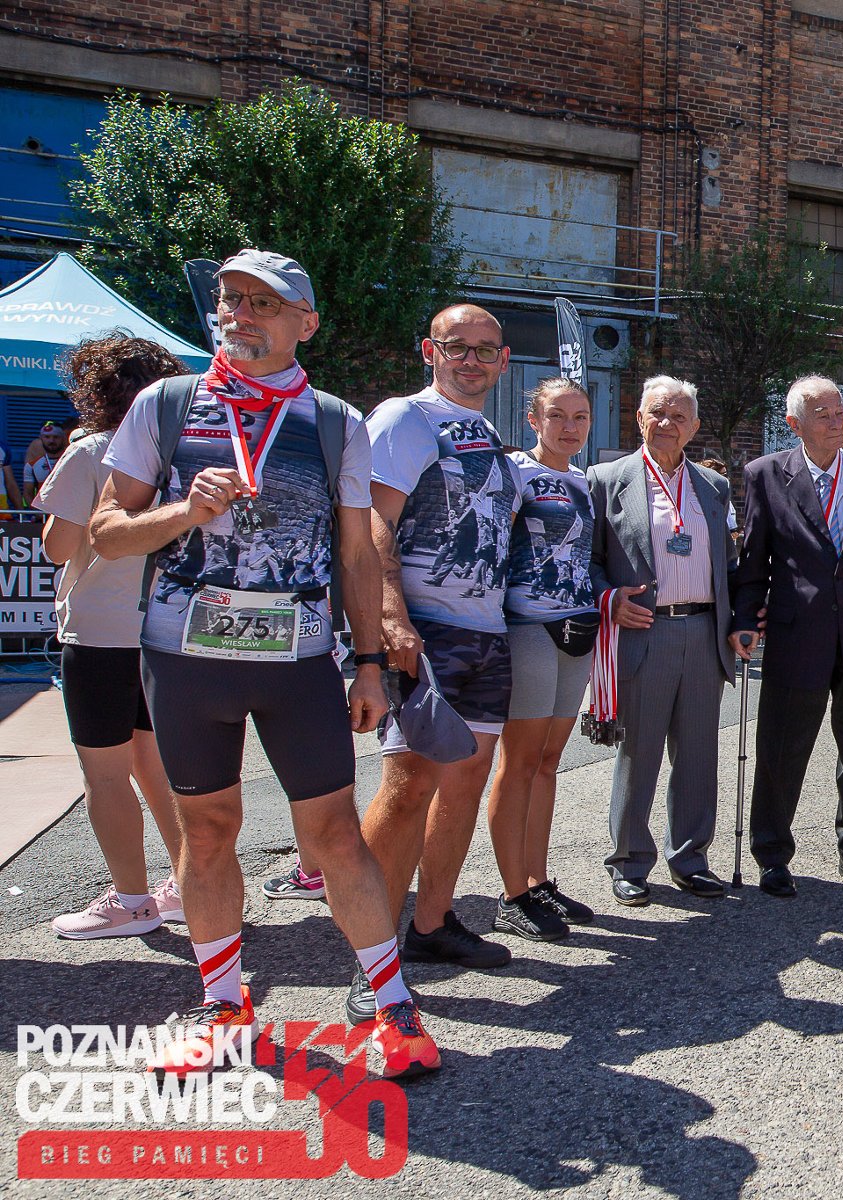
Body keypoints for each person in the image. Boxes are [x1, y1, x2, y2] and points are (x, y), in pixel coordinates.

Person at [89, 249, 437, 1078]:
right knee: (207, 830)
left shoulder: (334, 420)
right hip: (185, 658)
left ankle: (393, 1009)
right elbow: (105, 534)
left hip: (297, 659)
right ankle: (223, 1006)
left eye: (263, 303)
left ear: (304, 323)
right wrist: (183, 510)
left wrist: (367, 663)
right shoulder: (167, 404)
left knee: (334, 834)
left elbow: (357, 552)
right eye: (231, 298)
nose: (241, 313)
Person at [354, 303, 522, 1020]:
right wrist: (390, 614)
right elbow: (370, 519)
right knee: (408, 786)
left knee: (465, 781)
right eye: (458, 347)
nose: (471, 361)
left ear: (504, 361)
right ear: (430, 350)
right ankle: (373, 960)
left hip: (486, 634)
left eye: (486, 350)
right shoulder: (405, 418)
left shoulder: (487, 435)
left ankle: (431, 925)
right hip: (427, 632)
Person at [34, 335, 186, 940]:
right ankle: (189, 886)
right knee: (161, 769)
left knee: (105, 774)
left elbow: (58, 547)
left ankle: (132, 900)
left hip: (100, 634)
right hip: (167, 630)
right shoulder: (182, 450)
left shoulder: (92, 451)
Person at [731, 375, 843, 897]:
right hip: (796, 636)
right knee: (781, 751)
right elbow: (753, 561)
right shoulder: (765, 475)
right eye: (821, 414)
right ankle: (772, 855)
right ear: (794, 423)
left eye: (839, 412)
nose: (835, 422)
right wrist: (744, 618)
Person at [591, 376, 735, 904]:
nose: (667, 423)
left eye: (678, 416)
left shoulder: (713, 486)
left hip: (703, 631)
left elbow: (729, 563)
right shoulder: (606, 480)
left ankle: (690, 857)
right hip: (643, 631)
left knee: (698, 755)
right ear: (639, 418)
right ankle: (629, 860)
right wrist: (609, 599)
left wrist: (740, 621)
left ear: (693, 427)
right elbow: (585, 559)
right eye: (657, 413)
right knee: (640, 750)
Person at [483, 377, 598, 939]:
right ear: (534, 420)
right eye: (557, 416)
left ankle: (537, 879)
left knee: (549, 760)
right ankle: (512, 894)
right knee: (520, 761)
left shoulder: (584, 481)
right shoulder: (514, 473)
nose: (569, 427)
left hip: (577, 629)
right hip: (527, 627)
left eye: (580, 417)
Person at [23, 420, 69, 506]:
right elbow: (27, 493)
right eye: (47, 437)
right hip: (42, 512)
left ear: (63, 438)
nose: (51, 441)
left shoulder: (72, 462)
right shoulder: (31, 466)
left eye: (56, 437)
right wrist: (36, 512)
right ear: (41, 438)